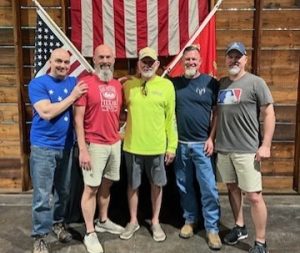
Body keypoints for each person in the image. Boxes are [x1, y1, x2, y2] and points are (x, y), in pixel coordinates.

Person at [215, 42, 275, 253]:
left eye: (238, 56)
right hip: (224, 149)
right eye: (230, 56)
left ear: (245, 59)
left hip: (247, 150)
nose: (234, 60)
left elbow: (269, 114)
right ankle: (240, 227)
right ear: (226, 60)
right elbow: (216, 115)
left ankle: (261, 242)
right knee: (232, 188)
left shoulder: (255, 83)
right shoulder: (221, 84)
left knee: (254, 196)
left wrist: (266, 144)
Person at [28, 48, 88, 253]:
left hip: (67, 146)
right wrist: (72, 97)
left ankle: (57, 224)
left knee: (63, 192)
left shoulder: (72, 81)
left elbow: (94, 83)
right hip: (43, 147)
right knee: (43, 195)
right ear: (50, 62)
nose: (62, 65)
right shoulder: (38, 84)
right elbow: (46, 112)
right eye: (58, 61)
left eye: (66, 62)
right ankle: (40, 236)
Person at [119, 47, 178, 242]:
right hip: (132, 146)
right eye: (144, 61)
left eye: (151, 62)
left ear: (157, 65)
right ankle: (133, 220)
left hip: (157, 147)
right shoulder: (128, 85)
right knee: (133, 185)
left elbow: (171, 119)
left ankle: (155, 221)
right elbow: (116, 111)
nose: (147, 65)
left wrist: (172, 146)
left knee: (157, 185)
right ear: (138, 63)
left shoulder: (167, 86)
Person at [170, 45, 222, 250]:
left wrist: (211, 138)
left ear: (200, 62)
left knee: (208, 187)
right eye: (187, 59)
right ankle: (190, 220)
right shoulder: (174, 84)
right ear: (183, 62)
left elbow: (216, 113)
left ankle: (212, 228)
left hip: (203, 146)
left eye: (194, 59)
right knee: (184, 186)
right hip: (181, 145)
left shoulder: (211, 83)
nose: (191, 62)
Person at [74, 44, 124, 253]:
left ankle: (103, 220)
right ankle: (90, 232)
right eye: (100, 57)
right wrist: (83, 149)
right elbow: (78, 120)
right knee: (91, 189)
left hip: (114, 144)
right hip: (94, 145)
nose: (105, 60)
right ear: (94, 59)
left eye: (108, 57)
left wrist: (120, 134)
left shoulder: (117, 85)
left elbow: (118, 114)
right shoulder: (84, 84)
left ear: (113, 60)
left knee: (107, 185)